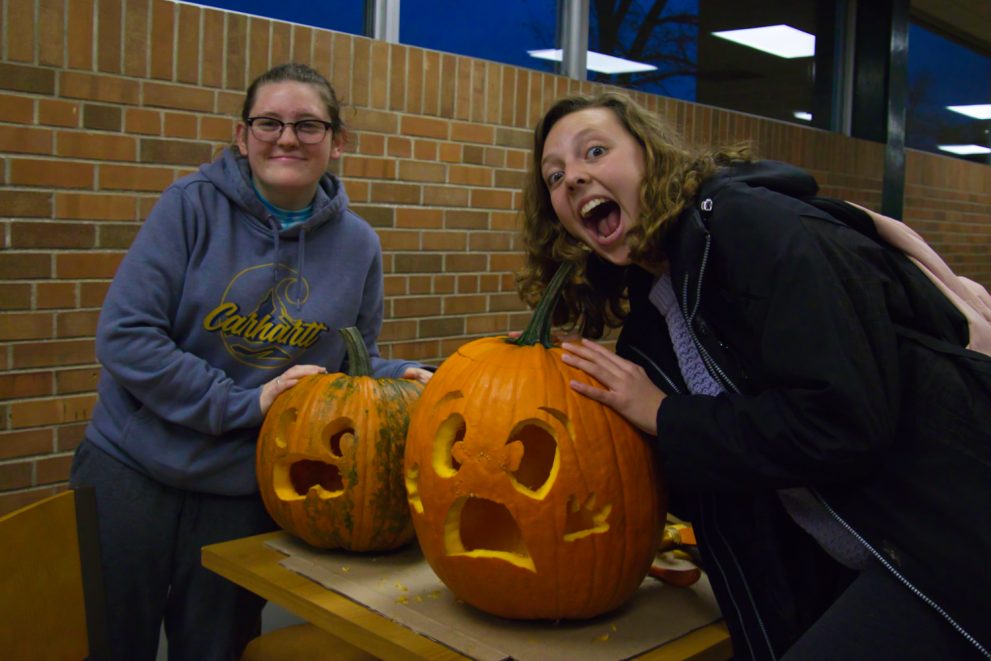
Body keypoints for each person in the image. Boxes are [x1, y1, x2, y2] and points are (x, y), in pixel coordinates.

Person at [517, 91, 991, 660]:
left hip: (948, 543)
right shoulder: (653, 317)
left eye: (594, 151)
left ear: (651, 156)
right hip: (859, 557)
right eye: (554, 176)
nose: (572, 179)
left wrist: (665, 414)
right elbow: (724, 471)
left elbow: (840, 423)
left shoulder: (750, 226)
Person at [70, 62, 432, 660]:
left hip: (242, 490)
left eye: (308, 125)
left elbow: (345, 365)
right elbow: (128, 335)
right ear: (242, 137)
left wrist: (402, 377)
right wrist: (241, 403)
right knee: (107, 642)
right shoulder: (189, 206)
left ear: (337, 142)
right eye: (269, 122)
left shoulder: (359, 245)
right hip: (131, 471)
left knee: (216, 648)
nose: (287, 138)